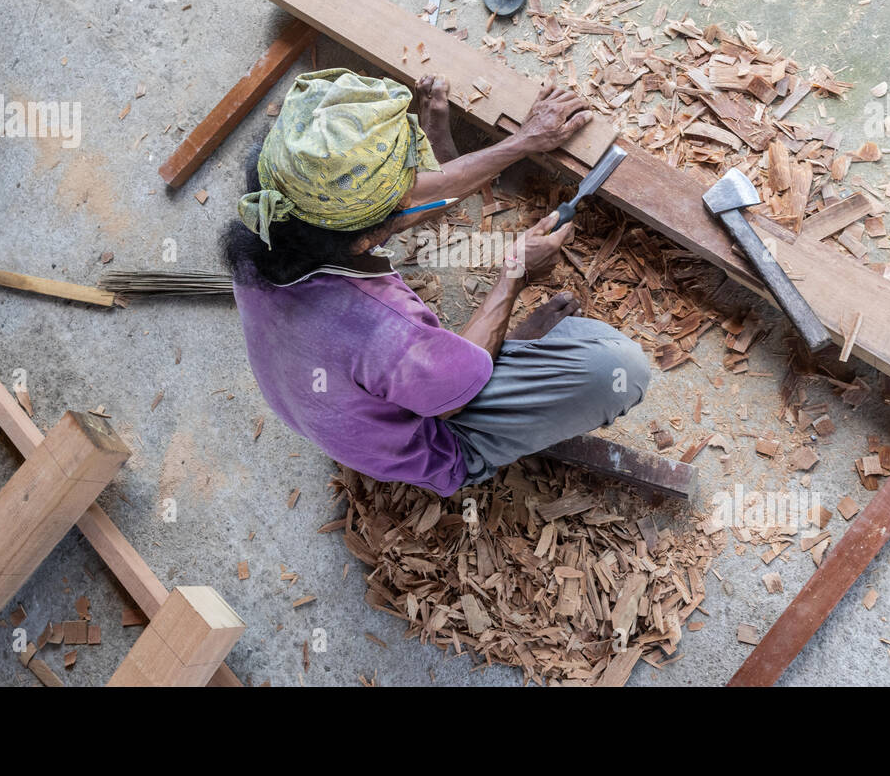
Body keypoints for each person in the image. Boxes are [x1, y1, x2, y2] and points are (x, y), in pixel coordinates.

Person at [223, 67, 649, 496]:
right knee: (617, 367)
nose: (421, 185)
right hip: (429, 440)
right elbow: (455, 401)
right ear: (368, 237)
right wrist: (513, 276)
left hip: (322, 402)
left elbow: (413, 203)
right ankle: (490, 350)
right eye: (410, 181)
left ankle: (478, 349)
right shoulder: (385, 327)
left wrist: (525, 140)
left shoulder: (272, 223)